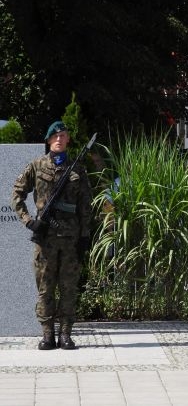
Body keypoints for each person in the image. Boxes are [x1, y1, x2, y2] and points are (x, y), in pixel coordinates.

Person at [11, 121, 92, 350]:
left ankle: (66, 335)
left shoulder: (77, 169)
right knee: (45, 288)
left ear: (67, 140)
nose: (59, 139)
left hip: (70, 241)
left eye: (63, 136)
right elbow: (17, 193)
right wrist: (29, 221)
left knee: (68, 288)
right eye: (55, 136)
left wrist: (85, 236)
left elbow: (85, 205)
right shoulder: (36, 166)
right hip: (45, 241)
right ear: (48, 141)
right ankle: (47, 335)